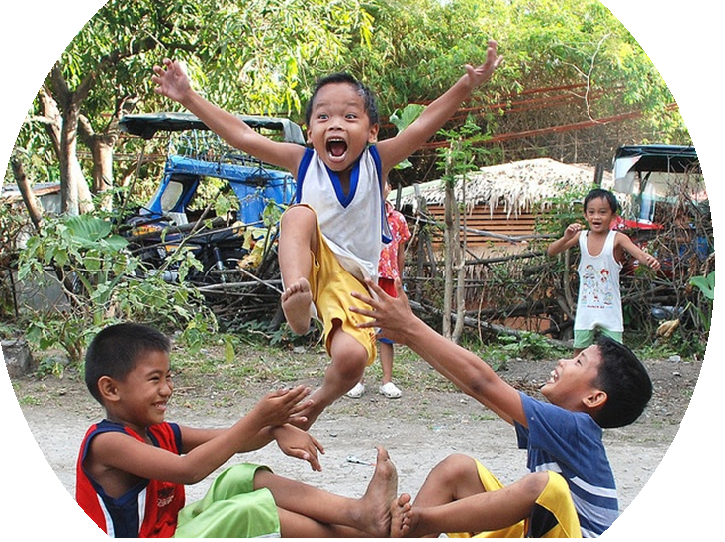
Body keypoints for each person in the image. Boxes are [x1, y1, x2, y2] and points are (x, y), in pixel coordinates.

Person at [152, 43, 503, 429]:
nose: (335, 124)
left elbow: (424, 124)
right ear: (310, 131)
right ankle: (296, 306)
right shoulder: (302, 162)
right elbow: (242, 136)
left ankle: (315, 404)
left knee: (352, 359)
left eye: (349, 116)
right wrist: (188, 96)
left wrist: (465, 86)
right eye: (324, 117)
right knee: (298, 215)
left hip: (353, 284)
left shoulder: (377, 160)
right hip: (309, 267)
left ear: (371, 131)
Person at [350, 279, 653, 537]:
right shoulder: (557, 429)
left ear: (594, 399)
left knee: (548, 486)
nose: (563, 361)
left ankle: (420, 521)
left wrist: (412, 325)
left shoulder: (576, 428)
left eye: (578, 362)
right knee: (457, 469)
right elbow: (474, 389)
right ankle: (407, 534)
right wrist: (409, 337)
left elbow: (483, 382)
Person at [76, 322, 399, 537]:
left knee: (242, 478)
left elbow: (237, 440)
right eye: (154, 379)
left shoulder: (159, 432)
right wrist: (259, 418)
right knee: (249, 509)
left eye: (168, 377)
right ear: (111, 389)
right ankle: (360, 534)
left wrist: (275, 428)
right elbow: (188, 470)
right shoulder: (106, 444)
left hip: (175, 532)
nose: (167, 389)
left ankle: (358, 515)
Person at [547, 188, 661, 355]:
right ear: (585, 215)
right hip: (587, 310)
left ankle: (614, 381)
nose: (596, 217)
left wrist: (650, 261)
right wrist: (566, 237)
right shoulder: (580, 237)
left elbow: (639, 254)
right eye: (591, 212)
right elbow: (551, 251)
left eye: (602, 212)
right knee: (579, 351)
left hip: (610, 310)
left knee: (616, 353)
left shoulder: (617, 238)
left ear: (613, 216)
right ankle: (576, 380)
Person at [347, 180, 411, 399]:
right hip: (365, 279)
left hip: (389, 280)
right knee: (361, 328)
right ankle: (357, 381)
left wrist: (398, 279)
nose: (380, 188)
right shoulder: (360, 216)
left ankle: (387, 381)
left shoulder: (398, 219)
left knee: (387, 332)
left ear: (389, 188)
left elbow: (400, 252)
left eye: (384, 183)